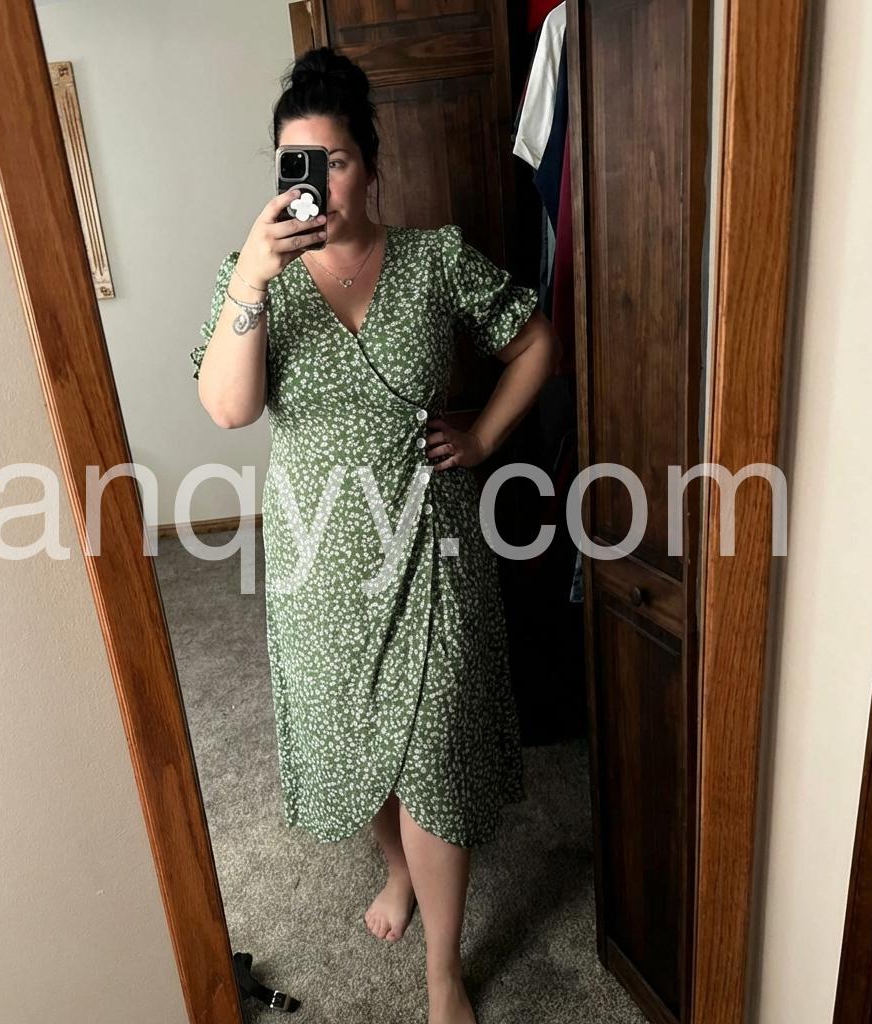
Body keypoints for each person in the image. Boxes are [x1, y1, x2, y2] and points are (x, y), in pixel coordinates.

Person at [191, 45, 558, 1024]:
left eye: (337, 160)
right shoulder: (252, 278)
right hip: (319, 558)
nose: (317, 182)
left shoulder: (436, 259)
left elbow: (534, 341)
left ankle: (444, 969)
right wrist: (254, 277)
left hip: (431, 548)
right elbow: (228, 408)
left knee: (434, 745)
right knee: (362, 744)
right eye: (297, 163)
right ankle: (396, 870)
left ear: (372, 165)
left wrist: (482, 436)